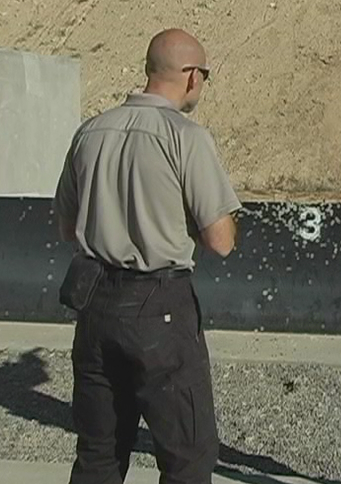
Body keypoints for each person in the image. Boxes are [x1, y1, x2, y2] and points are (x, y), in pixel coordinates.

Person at [53, 28, 241, 484]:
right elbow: (221, 240)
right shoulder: (186, 138)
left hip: (95, 304)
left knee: (98, 454)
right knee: (186, 458)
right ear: (192, 76)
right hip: (160, 308)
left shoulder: (91, 131)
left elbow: (64, 227)